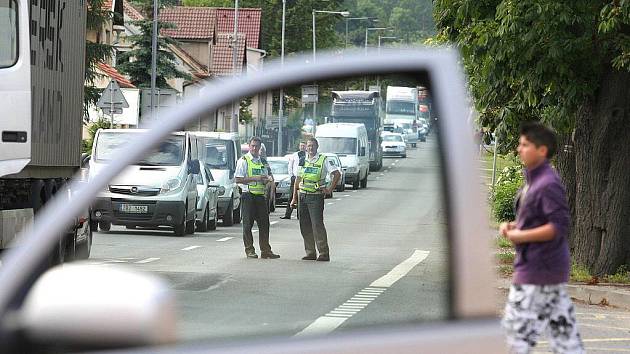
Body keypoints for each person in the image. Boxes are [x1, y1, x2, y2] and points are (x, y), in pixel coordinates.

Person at [500, 122, 583, 354]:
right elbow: (537, 218)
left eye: (525, 145)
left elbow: (557, 226)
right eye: (520, 143)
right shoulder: (534, 180)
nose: (519, 149)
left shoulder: (548, 184)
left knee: (516, 337)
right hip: (545, 270)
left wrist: (520, 235)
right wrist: (514, 225)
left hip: (537, 269)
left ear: (542, 150)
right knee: (565, 340)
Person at [290, 138, 341, 262]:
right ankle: (310, 252)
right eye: (308, 146)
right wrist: (294, 198)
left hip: (316, 196)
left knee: (317, 225)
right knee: (304, 225)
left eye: (312, 146)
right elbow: (298, 180)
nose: (310, 148)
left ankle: (323, 253)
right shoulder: (303, 160)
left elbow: (337, 174)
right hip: (302, 195)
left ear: (317, 147)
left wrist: (329, 189)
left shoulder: (324, 160)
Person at [235, 137, 280, 259]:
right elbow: (238, 179)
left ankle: (266, 250)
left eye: (257, 146)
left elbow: (267, 177)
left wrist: (267, 180)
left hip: (260, 196)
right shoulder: (243, 160)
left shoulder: (263, 162)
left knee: (264, 224)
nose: (254, 148)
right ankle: (249, 250)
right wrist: (255, 178)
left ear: (260, 148)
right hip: (248, 195)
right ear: (249, 146)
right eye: (253, 146)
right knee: (247, 225)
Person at [281, 141, 306, 220]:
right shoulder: (294, 155)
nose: (302, 147)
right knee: (291, 196)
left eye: (303, 146)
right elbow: (290, 166)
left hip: (303, 178)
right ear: (299, 146)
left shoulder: (307, 155)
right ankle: (287, 214)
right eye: (301, 146)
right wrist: (291, 176)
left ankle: (300, 215)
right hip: (295, 177)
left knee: (301, 197)